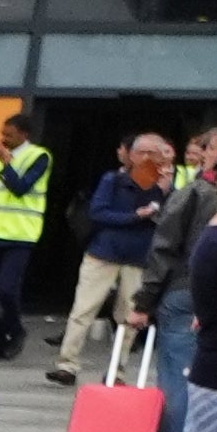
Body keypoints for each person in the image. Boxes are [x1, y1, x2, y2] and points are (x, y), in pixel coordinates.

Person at [50, 132, 175, 386]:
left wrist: (164, 191)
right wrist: (135, 216)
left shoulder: (168, 185)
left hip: (139, 258)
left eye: (154, 153)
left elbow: (170, 221)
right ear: (131, 154)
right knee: (83, 309)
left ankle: (117, 370)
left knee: (129, 316)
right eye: (142, 152)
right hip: (103, 253)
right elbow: (98, 212)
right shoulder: (115, 179)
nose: (147, 158)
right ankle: (67, 365)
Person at [143, 129, 217, 432]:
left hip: (185, 291)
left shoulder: (193, 193)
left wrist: (144, 300)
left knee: (177, 378)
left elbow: (164, 247)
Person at [0, 114, 51, 360]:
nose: (3, 139)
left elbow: (20, 188)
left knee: (6, 290)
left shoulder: (39, 156)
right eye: (2, 133)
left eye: (9, 134)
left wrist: (7, 163)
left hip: (20, 234)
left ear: (24, 135)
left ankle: (15, 330)